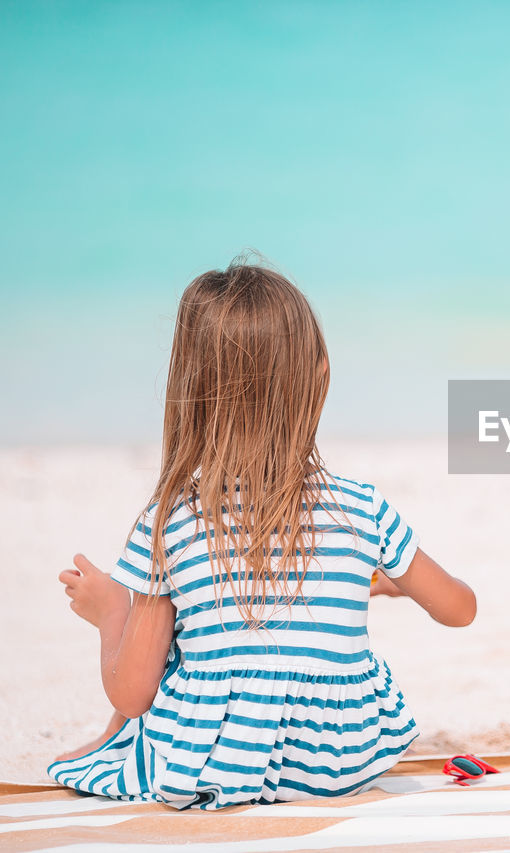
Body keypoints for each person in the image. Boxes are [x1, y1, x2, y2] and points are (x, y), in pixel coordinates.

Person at [48, 262, 476, 809]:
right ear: (321, 374)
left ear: (190, 390)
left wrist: (113, 615)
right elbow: (460, 610)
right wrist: (391, 581)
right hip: (339, 764)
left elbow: (132, 694)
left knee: (173, 643)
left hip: (216, 769)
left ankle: (113, 743)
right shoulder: (363, 509)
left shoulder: (172, 519)